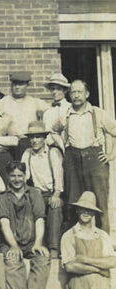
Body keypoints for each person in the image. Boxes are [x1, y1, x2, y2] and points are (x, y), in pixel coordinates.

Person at [54, 80, 116, 234]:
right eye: (73, 92)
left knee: (100, 201)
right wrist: (63, 148)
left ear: (87, 94)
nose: (76, 95)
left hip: (95, 159)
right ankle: (76, 241)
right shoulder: (65, 115)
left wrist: (111, 155)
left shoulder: (98, 113)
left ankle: (103, 242)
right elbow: (54, 132)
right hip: (72, 160)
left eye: (79, 92)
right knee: (74, 201)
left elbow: (114, 131)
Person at [0, 161, 50, 289]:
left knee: (43, 258)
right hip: (10, 241)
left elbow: (40, 219)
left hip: (31, 241)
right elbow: (4, 222)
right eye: (13, 176)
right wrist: (13, 246)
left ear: (25, 176)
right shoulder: (2, 197)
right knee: (12, 260)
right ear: (8, 177)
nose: (17, 179)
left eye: (20, 175)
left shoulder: (34, 193)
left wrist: (38, 243)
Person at [21, 121, 64, 258]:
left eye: (38, 137)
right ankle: (30, 247)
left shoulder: (52, 152)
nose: (34, 141)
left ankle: (54, 248)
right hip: (36, 193)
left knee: (55, 208)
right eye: (32, 138)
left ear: (44, 138)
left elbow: (59, 176)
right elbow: (24, 176)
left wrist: (56, 194)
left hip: (53, 192)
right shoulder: (27, 154)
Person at [0, 71, 47, 158]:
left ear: (27, 85)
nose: (17, 87)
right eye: (14, 84)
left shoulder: (35, 102)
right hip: (10, 144)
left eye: (20, 84)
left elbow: (51, 113)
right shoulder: (3, 102)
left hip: (29, 143)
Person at [42, 73, 71, 138]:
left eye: (58, 89)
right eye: (52, 89)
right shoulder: (47, 113)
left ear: (65, 90)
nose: (54, 92)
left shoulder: (70, 109)